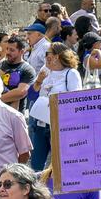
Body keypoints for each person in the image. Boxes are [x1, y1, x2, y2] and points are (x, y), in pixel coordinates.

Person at [28, 43, 82, 171]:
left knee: (60, 166)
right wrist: (38, 81)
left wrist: (56, 103)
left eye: (47, 54)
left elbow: (76, 100)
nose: (45, 57)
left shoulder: (71, 73)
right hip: (40, 125)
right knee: (36, 166)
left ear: (57, 56)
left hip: (59, 126)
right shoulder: (45, 71)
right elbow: (31, 96)